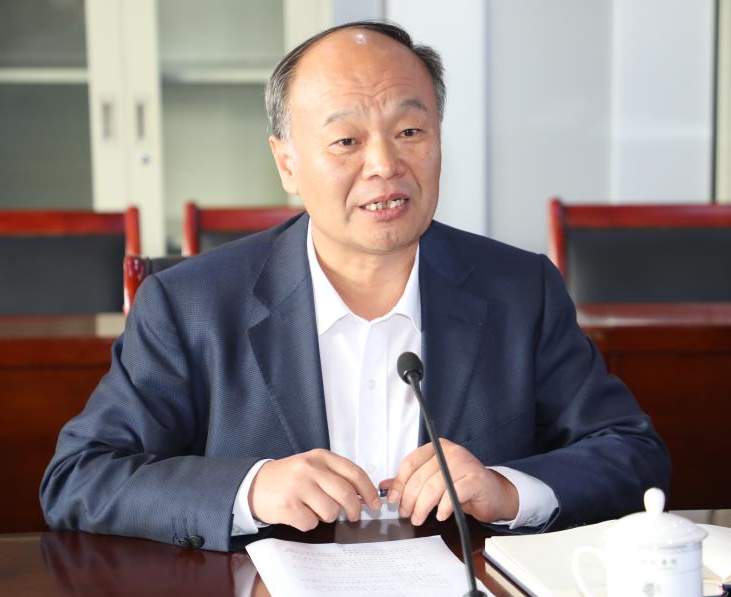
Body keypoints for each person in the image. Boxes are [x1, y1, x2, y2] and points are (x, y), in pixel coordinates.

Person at [40, 20, 669, 552]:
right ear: (287, 162)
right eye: (346, 140)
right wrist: (250, 491)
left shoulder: (519, 290)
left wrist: (506, 490)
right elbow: (80, 476)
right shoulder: (191, 305)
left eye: (410, 132)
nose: (385, 165)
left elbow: (631, 452)